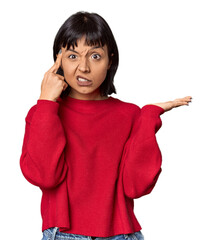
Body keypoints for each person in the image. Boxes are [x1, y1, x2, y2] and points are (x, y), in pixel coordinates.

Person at [19, 11, 192, 240]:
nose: (83, 68)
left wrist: (148, 116)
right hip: (63, 234)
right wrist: (47, 101)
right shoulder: (43, 113)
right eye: (73, 56)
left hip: (121, 235)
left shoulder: (130, 115)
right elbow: (44, 176)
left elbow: (136, 186)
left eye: (95, 56)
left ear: (110, 60)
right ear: (58, 59)